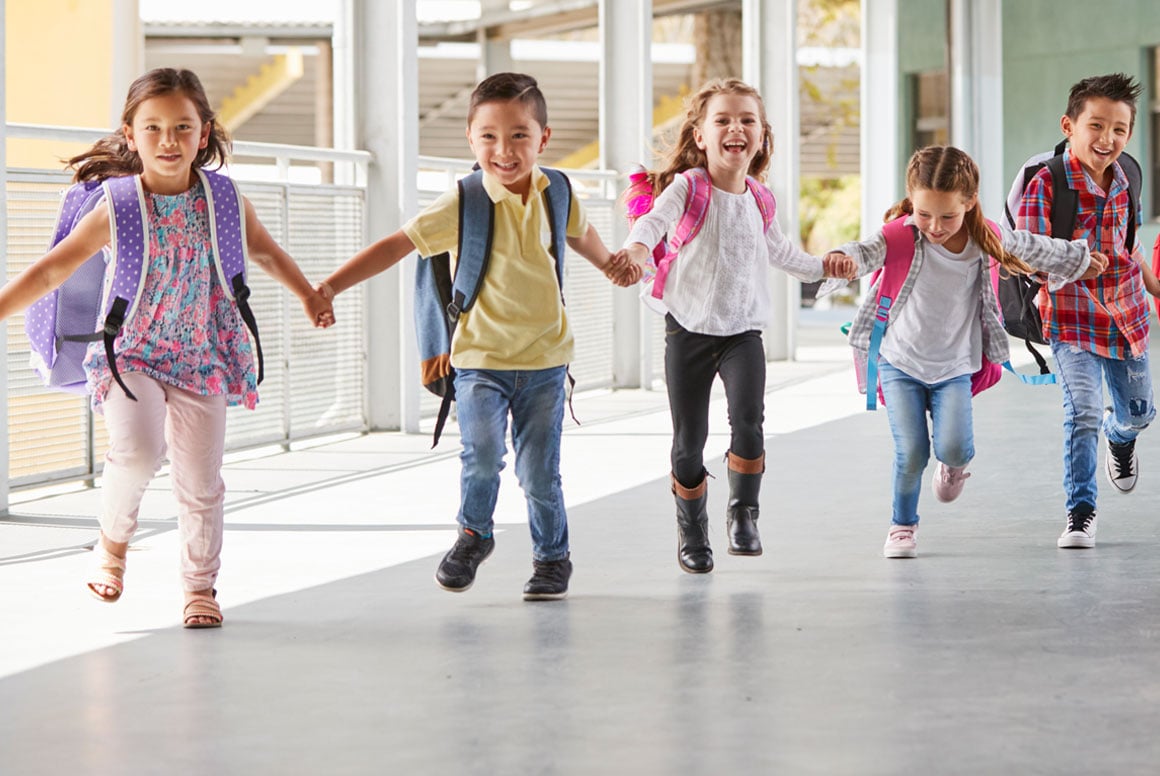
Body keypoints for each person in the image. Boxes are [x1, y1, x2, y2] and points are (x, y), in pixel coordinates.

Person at [0, 68, 334, 627]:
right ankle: (112, 545)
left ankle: (200, 587)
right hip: (128, 352)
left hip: (203, 352)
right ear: (130, 135)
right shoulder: (119, 204)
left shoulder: (224, 201)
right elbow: (53, 267)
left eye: (183, 127)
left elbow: (268, 254)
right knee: (136, 450)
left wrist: (308, 294)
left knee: (201, 480)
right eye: (152, 128)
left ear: (204, 134)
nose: (169, 140)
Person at [317, 72, 637, 601]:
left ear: (543, 138)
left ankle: (552, 557)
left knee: (539, 473)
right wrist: (329, 286)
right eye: (488, 135)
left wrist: (611, 266)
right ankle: (474, 533)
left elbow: (580, 235)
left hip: (545, 362)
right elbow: (396, 246)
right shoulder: (462, 203)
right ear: (470, 138)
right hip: (480, 360)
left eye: (518, 135)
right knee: (482, 455)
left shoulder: (557, 190)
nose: (503, 149)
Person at [617, 78, 854, 574]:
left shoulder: (761, 199)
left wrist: (825, 266)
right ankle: (692, 530)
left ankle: (743, 513)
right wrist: (638, 250)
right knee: (689, 442)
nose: (735, 128)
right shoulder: (689, 187)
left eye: (747, 120)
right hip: (689, 331)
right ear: (700, 136)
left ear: (762, 135)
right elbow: (654, 223)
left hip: (743, 332)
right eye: (722, 120)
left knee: (749, 425)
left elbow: (783, 253)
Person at [833, 145, 1107, 558]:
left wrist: (1079, 259)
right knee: (911, 452)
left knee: (957, 447)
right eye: (924, 214)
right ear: (912, 199)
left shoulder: (984, 239)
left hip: (953, 366)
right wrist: (840, 259)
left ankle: (953, 464)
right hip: (899, 360)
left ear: (969, 202)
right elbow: (863, 251)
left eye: (947, 216)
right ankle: (902, 525)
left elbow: (1034, 247)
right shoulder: (900, 235)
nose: (935, 226)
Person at [1017, 73, 1155, 549]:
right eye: (1096, 126)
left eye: (1118, 129)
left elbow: (1129, 246)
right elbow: (1027, 255)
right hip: (1071, 317)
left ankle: (1123, 440)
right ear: (1069, 125)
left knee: (1138, 414)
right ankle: (1081, 512)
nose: (1107, 138)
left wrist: (1155, 287)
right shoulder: (1047, 185)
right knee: (1083, 413)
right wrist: (1072, 263)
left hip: (1128, 315)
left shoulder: (1127, 177)